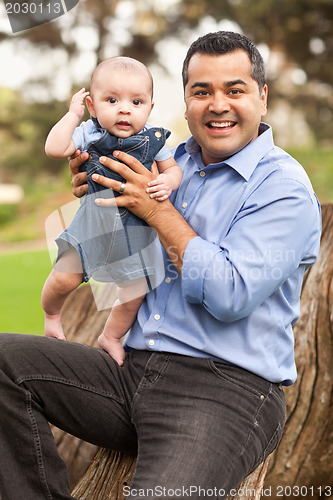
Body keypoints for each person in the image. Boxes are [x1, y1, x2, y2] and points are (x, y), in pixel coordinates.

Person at [0, 31, 321, 500]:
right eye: (201, 91)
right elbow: (118, 247)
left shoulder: (283, 188)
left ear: (262, 98)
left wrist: (157, 212)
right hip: (132, 371)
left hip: (225, 391)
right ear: (185, 101)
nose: (218, 104)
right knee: (6, 364)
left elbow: (230, 295)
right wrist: (96, 185)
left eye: (235, 89)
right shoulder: (164, 160)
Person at [42, 56, 182, 366]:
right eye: (112, 100)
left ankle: (111, 336)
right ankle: (52, 314)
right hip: (93, 223)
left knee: (134, 291)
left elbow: (173, 170)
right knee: (65, 278)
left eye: (136, 101)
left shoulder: (155, 140)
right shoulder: (88, 133)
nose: (124, 108)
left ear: (149, 108)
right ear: (92, 106)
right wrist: (71, 115)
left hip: (135, 230)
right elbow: (54, 148)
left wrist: (167, 182)